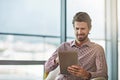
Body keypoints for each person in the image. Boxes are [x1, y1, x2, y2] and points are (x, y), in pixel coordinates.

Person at [44, 12, 108, 80]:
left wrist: (87, 74)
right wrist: (56, 61)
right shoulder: (64, 46)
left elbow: (103, 74)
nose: (79, 32)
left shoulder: (97, 49)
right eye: (77, 29)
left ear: (89, 29)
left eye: (83, 29)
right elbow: (46, 67)